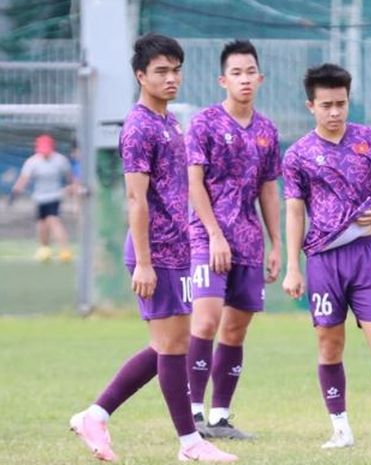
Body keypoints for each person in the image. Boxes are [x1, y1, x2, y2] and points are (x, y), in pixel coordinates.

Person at [69, 33, 237, 463]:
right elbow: (134, 199)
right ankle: (189, 443)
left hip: (177, 251)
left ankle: (96, 414)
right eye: (161, 71)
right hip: (154, 254)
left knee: (170, 344)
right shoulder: (140, 127)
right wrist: (143, 262)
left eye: (176, 69)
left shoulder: (170, 122)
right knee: (174, 349)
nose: (171, 78)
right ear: (140, 76)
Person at [282, 63, 371, 449]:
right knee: (329, 344)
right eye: (326, 105)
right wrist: (292, 268)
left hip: (365, 255)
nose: (334, 112)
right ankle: (340, 428)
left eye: (341, 103)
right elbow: (295, 210)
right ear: (311, 106)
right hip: (323, 261)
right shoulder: (298, 155)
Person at [185, 39, 281, 440]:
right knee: (206, 320)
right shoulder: (204, 123)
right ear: (222, 80)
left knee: (236, 330)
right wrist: (214, 234)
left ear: (260, 78)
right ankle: (191, 413)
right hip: (208, 239)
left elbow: (268, 191)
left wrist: (277, 245)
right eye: (236, 73)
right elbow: (193, 183)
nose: (244, 80)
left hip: (249, 242)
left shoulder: (266, 130)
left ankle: (221, 417)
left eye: (250, 72)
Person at [11, 134, 75, 262]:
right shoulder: (32, 162)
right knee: (42, 224)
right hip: (40, 197)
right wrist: (16, 191)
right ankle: (44, 249)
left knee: (53, 221)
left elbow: (70, 177)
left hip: (54, 196)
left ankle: (65, 250)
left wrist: (73, 188)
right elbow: (24, 179)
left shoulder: (60, 160)